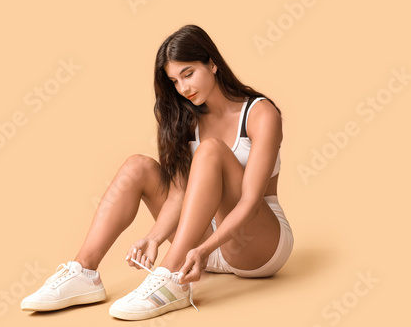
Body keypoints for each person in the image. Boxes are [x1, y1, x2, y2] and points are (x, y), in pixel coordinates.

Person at [20, 24, 294, 321]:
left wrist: (202, 251)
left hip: (254, 243)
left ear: (212, 63)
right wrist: (154, 237)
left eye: (188, 74)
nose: (183, 88)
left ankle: (170, 276)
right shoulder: (187, 117)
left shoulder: (260, 113)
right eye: (174, 81)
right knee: (138, 165)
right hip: (197, 247)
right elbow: (179, 193)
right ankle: (84, 273)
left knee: (211, 150)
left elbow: (251, 201)